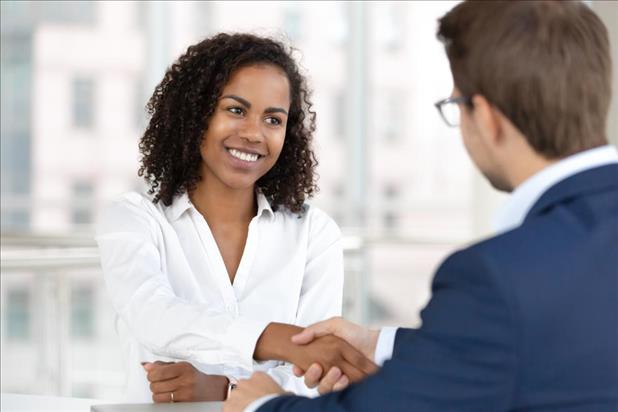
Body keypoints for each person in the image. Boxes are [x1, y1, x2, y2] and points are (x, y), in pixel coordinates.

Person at [225, 1, 618, 411]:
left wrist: (260, 405)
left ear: (485, 117)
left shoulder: (498, 277)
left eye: (455, 107)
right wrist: (379, 343)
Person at [95, 33, 375, 403]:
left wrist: (226, 390)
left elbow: (317, 373)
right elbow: (153, 316)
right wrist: (280, 342)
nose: (253, 134)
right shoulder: (134, 219)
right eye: (236, 110)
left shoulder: (313, 233)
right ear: (196, 115)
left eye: (273, 119)